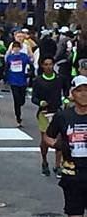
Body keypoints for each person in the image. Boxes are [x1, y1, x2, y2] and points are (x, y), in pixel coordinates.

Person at [44, 75, 87, 217]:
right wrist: (57, 144)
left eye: (86, 90)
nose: (84, 94)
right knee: (75, 213)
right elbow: (47, 136)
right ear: (72, 94)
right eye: (79, 90)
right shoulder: (63, 116)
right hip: (72, 176)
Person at [32, 55, 64, 178]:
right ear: (42, 66)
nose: (48, 67)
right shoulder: (38, 81)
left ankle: (57, 165)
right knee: (45, 139)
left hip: (58, 112)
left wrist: (65, 100)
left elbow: (65, 93)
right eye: (46, 64)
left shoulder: (59, 79)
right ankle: (44, 161)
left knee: (59, 139)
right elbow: (34, 97)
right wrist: (40, 102)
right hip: (44, 113)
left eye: (50, 64)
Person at [5, 41, 32, 127]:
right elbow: (6, 68)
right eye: (14, 47)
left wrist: (30, 74)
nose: (16, 49)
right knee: (16, 99)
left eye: (17, 47)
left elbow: (30, 65)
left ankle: (20, 105)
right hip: (13, 81)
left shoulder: (24, 57)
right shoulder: (9, 58)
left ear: (20, 48)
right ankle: (18, 117)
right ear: (12, 49)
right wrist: (6, 79)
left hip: (22, 80)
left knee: (22, 100)